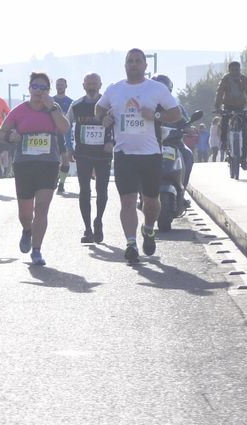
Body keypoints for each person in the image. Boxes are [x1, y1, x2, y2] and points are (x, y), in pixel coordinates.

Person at [96, 48, 181, 264]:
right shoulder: (115, 89)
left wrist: (156, 115)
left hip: (151, 154)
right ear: (125, 66)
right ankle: (131, 243)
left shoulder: (157, 89)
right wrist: (104, 118)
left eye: (137, 61)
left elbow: (176, 113)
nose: (133, 64)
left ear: (145, 66)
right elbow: (99, 109)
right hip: (124, 154)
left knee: (151, 202)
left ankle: (149, 228)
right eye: (130, 61)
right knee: (127, 201)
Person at [0, 73, 70, 266]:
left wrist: (52, 107)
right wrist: (11, 137)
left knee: (42, 209)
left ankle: (37, 250)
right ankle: (27, 230)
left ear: (48, 91)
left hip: (48, 164)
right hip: (24, 165)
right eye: (35, 86)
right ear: (29, 88)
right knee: (25, 214)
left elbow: (64, 128)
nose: (39, 91)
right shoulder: (19, 111)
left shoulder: (53, 108)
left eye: (44, 88)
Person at [70, 73, 112, 243]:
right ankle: (87, 229)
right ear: (83, 85)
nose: (92, 86)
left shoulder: (108, 104)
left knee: (101, 190)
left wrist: (112, 142)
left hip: (103, 153)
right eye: (89, 83)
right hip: (83, 153)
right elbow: (66, 126)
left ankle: (98, 221)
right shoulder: (76, 105)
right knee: (84, 191)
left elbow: (120, 124)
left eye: (94, 83)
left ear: (100, 85)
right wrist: (67, 147)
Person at [213, 60, 247, 172]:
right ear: (229, 70)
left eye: (237, 70)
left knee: (245, 132)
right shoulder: (225, 79)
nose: (235, 72)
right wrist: (218, 107)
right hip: (228, 107)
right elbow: (220, 92)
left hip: (241, 107)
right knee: (224, 123)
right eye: (233, 70)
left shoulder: (243, 79)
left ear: (240, 70)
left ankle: (244, 158)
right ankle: (224, 144)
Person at [52, 77, 75, 193]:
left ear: (66, 86)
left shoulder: (71, 102)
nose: (60, 86)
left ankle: (61, 183)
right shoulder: (50, 101)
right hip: (53, 135)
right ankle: (54, 178)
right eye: (58, 84)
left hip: (65, 135)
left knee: (65, 160)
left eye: (62, 84)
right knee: (55, 160)